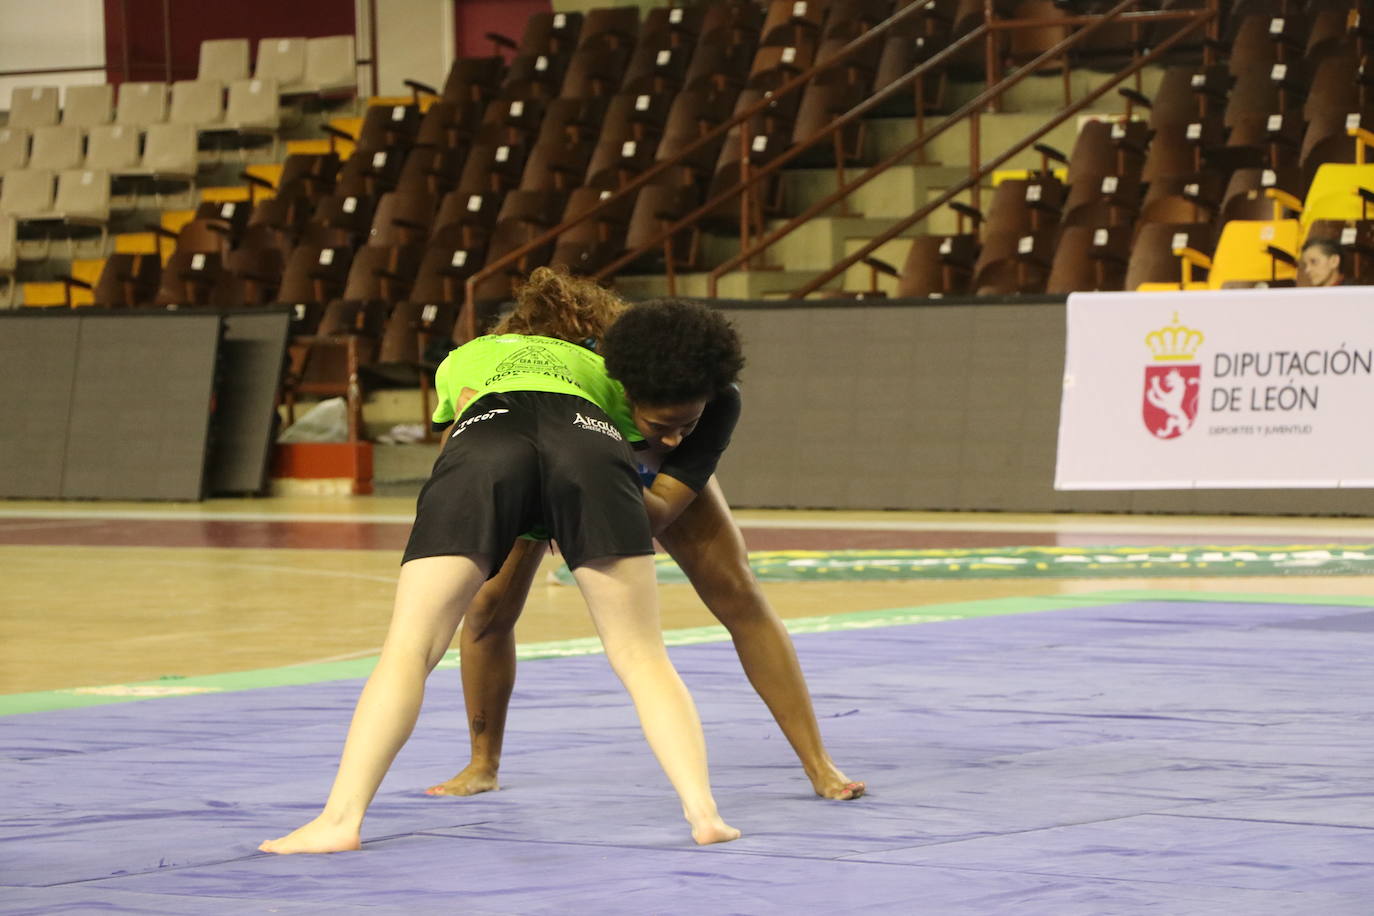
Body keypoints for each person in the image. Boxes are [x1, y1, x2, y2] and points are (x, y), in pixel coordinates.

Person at [259, 308, 743, 854]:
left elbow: (456, 426)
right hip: (587, 440)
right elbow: (622, 437)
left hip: (486, 440)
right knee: (642, 654)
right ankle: (704, 812)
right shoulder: (603, 368)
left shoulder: (463, 359)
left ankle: (340, 820)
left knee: (409, 650)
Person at [422, 270, 864, 803]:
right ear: (622, 393)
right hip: (554, 458)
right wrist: (550, 503)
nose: (677, 436)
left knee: (739, 593)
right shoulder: (580, 386)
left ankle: (819, 764)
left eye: (689, 423)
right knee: (487, 610)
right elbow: (462, 458)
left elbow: (653, 517)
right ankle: (482, 763)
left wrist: (604, 493)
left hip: (640, 481)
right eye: (661, 425)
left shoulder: (716, 401)